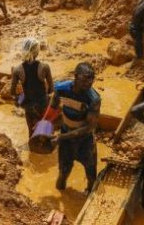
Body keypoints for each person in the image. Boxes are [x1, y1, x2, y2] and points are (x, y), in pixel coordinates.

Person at [43, 62, 101, 194]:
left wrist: (61, 137)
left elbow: (89, 127)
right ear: (75, 76)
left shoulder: (93, 99)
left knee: (91, 175)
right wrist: (44, 125)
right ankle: (61, 195)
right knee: (63, 172)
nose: (89, 84)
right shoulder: (61, 89)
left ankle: (90, 197)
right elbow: (53, 108)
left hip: (85, 140)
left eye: (91, 80)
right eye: (84, 80)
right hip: (66, 135)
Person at [10, 38, 54, 136]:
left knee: (31, 131)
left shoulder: (17, 69)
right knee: (46, 131)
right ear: (37, 52)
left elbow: (12, 92)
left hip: (28, 107)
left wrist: (20, 99)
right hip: (43, 104)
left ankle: (32, 147)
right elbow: (51, 89)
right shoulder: (44, 67)